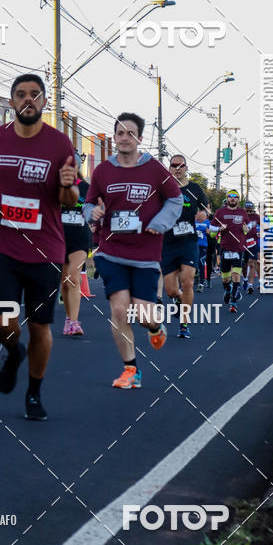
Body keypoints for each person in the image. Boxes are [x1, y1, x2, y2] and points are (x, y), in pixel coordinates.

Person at [0, 74, 78, 421]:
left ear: (45, 102)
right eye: (21, 95)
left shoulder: (60, 144)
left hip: (45, 249)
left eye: (35, 94)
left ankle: (34, 392)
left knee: (40, 326)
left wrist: (68, 186)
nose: (28, 100)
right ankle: (12, 350)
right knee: (2, 319)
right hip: (2, 243)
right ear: (11, 102)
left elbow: (69, 199)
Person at [84, 113, 182, 386]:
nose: (124, 138)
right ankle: (131, 370)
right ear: (114, 137)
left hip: (146, 254)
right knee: (118, 310)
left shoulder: (155, 171)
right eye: (119, 133)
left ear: (139, 138)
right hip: (111, 250)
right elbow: (88, 203)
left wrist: (159, 223)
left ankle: (155, 326)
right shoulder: (103, 171)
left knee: (143, 314)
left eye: (130, 133)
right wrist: (93, 213)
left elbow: (175, 201)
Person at [160, 155, 208, 337]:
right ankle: (179, 299)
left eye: (181, 166)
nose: (177, 168)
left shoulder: (194, 188)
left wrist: (204, 213)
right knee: (171, 290)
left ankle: (184, 324)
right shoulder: (163, 187)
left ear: (186, 168)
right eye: (174, 165)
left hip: (188, 241)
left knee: (188, 281)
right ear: (169, 168)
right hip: (167, 243)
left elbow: (207, 208)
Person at [60, 170, 91, 337]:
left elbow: (96, 207)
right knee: (65, 283)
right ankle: (68, 317)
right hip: (58, 238)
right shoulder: (53, 185)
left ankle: (74, 322)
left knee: (73, 277)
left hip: (80, 238)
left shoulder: (86, 187)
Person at [210, 189, 250, 312]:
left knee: (236, 274)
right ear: (227, 199)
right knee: (225, 278)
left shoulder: (242, 212)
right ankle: (228, 289)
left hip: (238, 248)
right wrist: (219, 229)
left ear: (238, 199)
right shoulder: (220, 212)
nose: (232, 198)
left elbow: (249, 227)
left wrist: (246, 228)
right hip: (225, 248)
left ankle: (233, 302)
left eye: (235, 197)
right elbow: (211, 227)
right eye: (230, 196)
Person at [242, 200, 261, 294]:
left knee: (252, 264)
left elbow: (265, 227)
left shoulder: (256, 217)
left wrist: (260, 233)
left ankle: (250, 285)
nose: (249, 212)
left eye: (250, 210)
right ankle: (245, 279)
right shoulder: (241, 216)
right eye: (247, 210)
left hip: (253, 243)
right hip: (242, 243)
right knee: (244, 265)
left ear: (252, 209)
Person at [196, 216, 209, 293]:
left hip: (203, 246)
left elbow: (210, 232)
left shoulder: (207, 222)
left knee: (201, 263)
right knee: (192, 264)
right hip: (193, 246)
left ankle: (201, 284)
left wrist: (209, 231)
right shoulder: (193, 221)